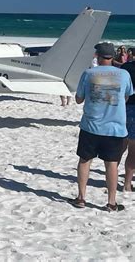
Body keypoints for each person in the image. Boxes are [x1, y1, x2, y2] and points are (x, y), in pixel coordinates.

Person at [70, 42, 133, 212]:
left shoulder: (89, 73)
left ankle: (81, 198)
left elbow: (78, 99)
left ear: (97, 56)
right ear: (112, 56)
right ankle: (111, 202)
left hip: (91, 125)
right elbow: (126, 96)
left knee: (84, 161)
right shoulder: (124, 74)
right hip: (115, 127)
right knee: (111, 164)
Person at [121, 55, 135, 192]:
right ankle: (127, 184)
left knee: (122, 145)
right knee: (133, 149)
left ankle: (111, 175)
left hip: (124, 108)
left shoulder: (125, 68)